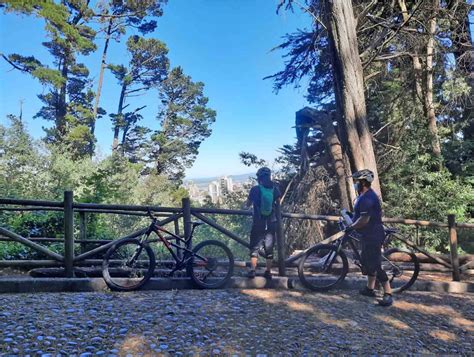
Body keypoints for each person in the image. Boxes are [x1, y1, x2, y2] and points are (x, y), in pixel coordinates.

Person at [344, 169, 393, 307]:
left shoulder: (368, 198)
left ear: (363, 183)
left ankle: (388, 293)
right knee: (367, 262)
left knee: (375, 265)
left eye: (357, 182)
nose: (355, 184)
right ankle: (369, 289)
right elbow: (358, 214)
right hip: (367, 235)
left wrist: (352, 226)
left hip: (373, 235)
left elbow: (364, 219)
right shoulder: (362, 196)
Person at [243, 167, 281, 279]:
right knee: (269, 246)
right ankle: (268, 272)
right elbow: (279, 202)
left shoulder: (255, 189)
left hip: (258, 221)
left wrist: (246, 206)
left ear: (259, 178)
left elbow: (248, 204)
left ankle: (253, 270)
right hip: (271, 221)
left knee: (254, 246)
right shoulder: (275, 189)